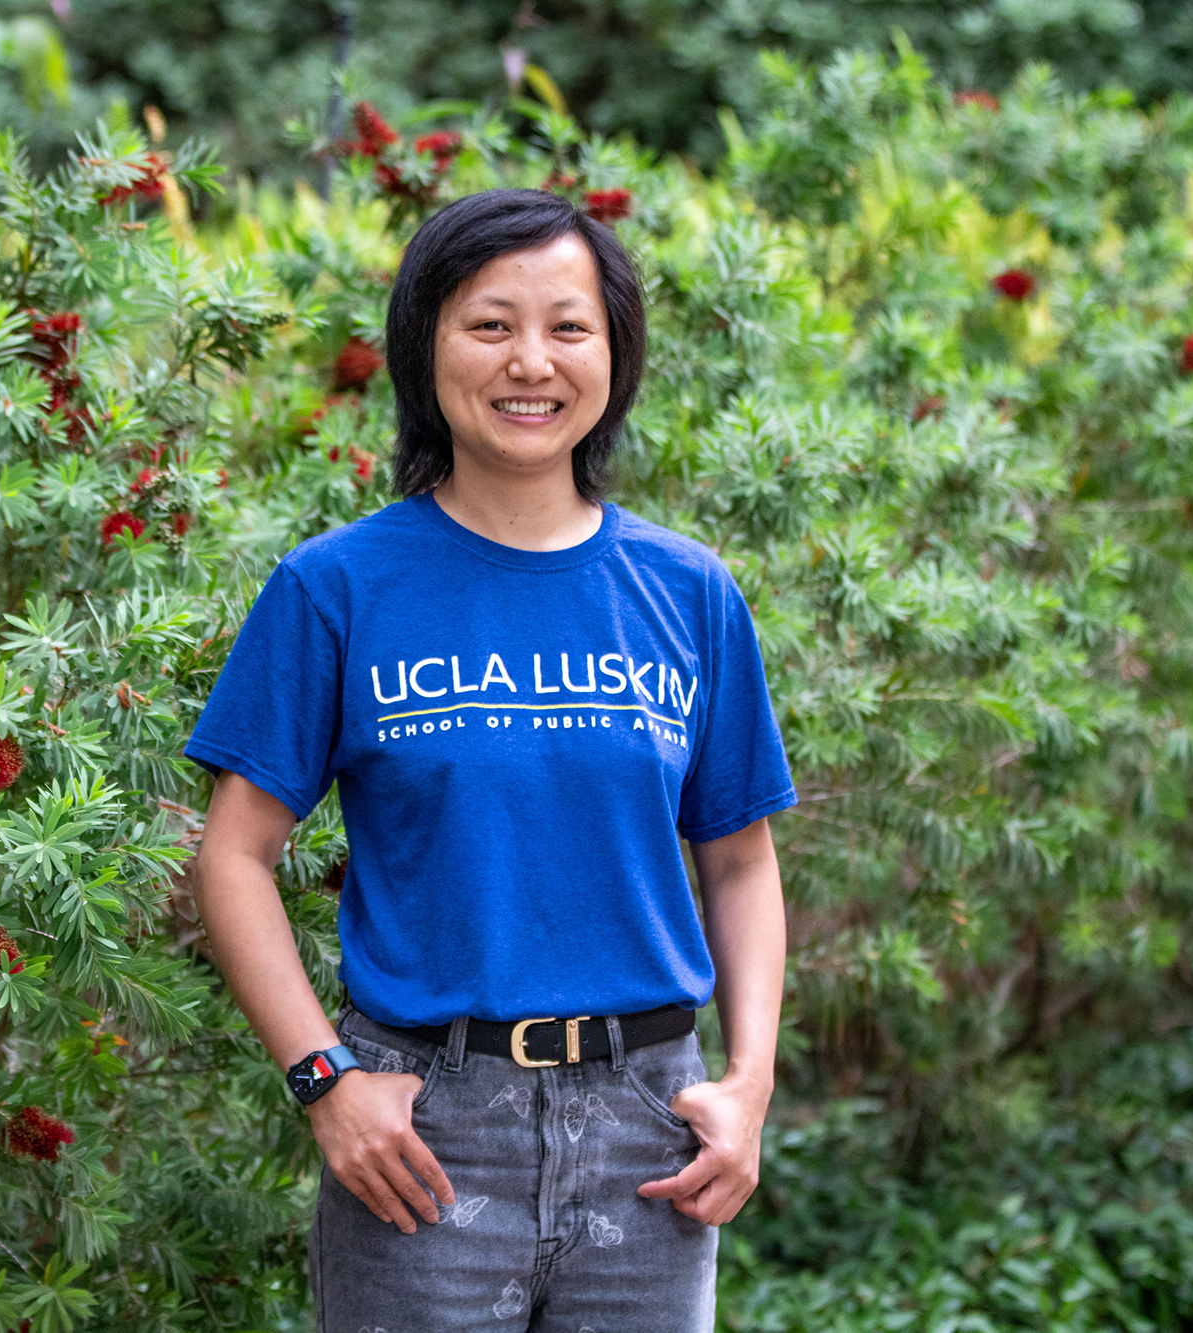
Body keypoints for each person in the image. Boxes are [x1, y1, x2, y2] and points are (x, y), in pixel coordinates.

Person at [188, 187, 794, 1331]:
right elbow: (234, 856)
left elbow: (739, 863)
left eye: (568, 326)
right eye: (488, 323)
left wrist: (748, 1080)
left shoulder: (686, 592)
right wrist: (323, 1081)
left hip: (648, 1125)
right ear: (425, 347)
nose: (530, 361)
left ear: (613, 355)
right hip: (422, 1126)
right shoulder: (336, 588)